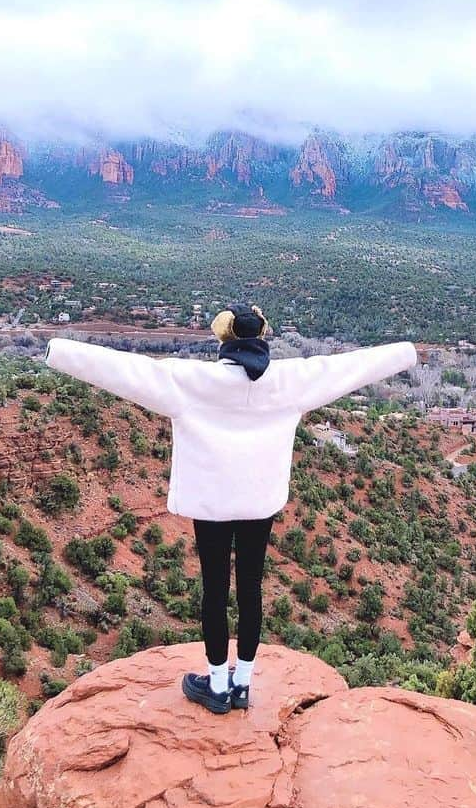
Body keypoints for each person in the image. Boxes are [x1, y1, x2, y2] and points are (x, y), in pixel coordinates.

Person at [43, 304, 417, 715]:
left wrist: (59, 351)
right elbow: (349, 367)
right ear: (263, 336)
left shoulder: (195, 381)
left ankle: (217, 685)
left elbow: (128, 371)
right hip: (259, 502)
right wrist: (405, 351)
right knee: (251, 588)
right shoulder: (289, 381)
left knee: (215, 591)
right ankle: (242, 683)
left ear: (224, 339)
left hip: (213, 503)